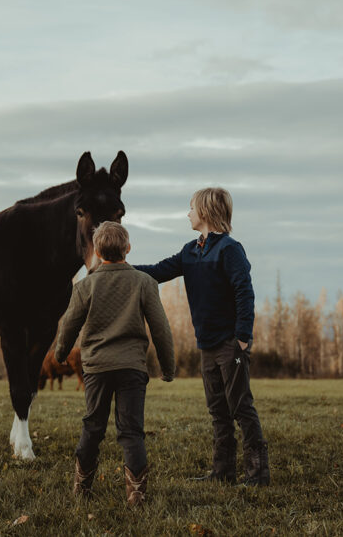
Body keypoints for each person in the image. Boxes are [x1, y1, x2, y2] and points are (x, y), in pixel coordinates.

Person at [134, 187, 270, 486]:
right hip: (206, 344)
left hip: (230, 344)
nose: (188, 213)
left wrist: (243, 338)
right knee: (217, 409)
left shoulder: (230, 250)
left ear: (205, 213)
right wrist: (120, 268)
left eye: (191, 208)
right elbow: (156, 271)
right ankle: (223, 472)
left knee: (241, 406)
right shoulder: (190, 251)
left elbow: (244, 293)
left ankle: (258, 475)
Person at [55, 221, 176, 506]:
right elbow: (161, 329)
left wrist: (61, 354)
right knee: (131, 430)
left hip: (96, 368)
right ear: (128, 249)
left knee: (92, 426)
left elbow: (69, 325)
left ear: (97, 251)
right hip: (132, 368)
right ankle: (136, 494)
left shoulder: (85, 285)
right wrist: (168, 368)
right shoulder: (144, 282)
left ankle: (82, 488)